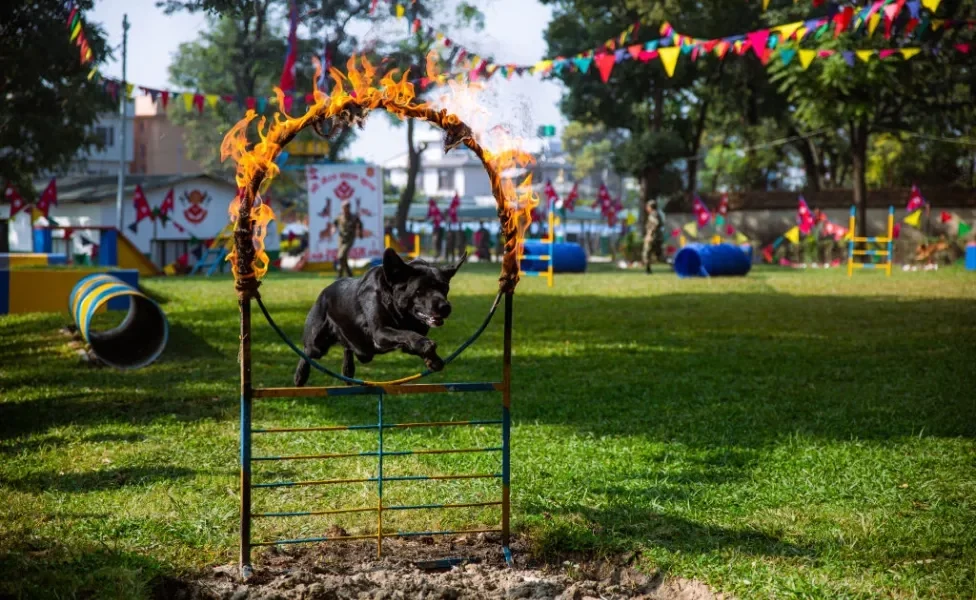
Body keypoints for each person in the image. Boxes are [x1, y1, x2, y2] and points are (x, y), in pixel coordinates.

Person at [334, 200, 363, 278]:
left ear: (349, 208)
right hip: (341, 239)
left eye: (346, 207)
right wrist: (333, 229)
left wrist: (360, 232)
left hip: (349, 239)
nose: (344, 209)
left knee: (341, 256)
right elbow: (335, 223)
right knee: (343, 258)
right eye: (343, 207)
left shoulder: (354, 217)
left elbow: (360, 224)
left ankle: (339, 274)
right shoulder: (339, 216)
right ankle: (349, 275)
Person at [642, 200, 665, 274]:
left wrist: (649, 234)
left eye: (647, 206)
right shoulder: (658, 213)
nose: (646, 208)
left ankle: (648, 270)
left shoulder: (653, 214)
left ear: (650, 207)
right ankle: (673, 264)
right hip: (658, 237)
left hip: (653, 237)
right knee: (658, 254)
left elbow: (656, 223)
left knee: (646, 253)